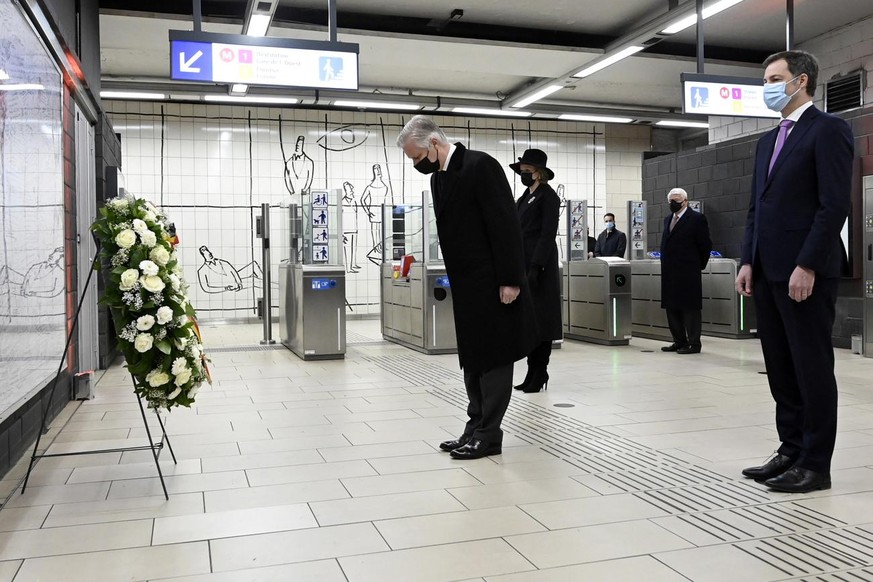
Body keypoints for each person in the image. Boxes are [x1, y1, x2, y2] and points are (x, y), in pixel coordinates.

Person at [736, 50, 852, 494]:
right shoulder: (767, 141)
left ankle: (816, 463)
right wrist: (748, 260)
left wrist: (807, 264)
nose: (766, 86)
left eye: (773, 78)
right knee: (780, 366)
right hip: (767, 271)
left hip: (806, 272)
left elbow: (833, 205)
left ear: (800, 81)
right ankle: (790, 448)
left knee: (811, 367)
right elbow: (755, 210)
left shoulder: (829, 131)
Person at [397, 115, 536, 460]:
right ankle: (474, 428)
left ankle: (489, 434)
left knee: (495, 358)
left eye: (416, 157)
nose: (416, 164)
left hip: (493, 282)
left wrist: (510, 279)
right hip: (467, 285)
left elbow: (505, 226)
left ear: (432, 143)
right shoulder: (440, 179)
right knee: (473, 359)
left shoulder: (480, 166)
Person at [509, 149, 561, 394]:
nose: (524, 175)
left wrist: (537, 266)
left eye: (527, 171)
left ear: (539, 173)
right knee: (530, 321)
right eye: (522, 171)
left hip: (540, 265)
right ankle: (532, 371)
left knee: (543, 320)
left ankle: (540, 371)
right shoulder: (524, 197)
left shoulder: (548, 197)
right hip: (523, 261)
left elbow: (547, 234)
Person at [659, 188, 712, 355]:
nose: (674, 204)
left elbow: (705, 245)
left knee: (690, 308)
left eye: (677, 200)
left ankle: (694, 343)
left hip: (688, 271)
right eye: (671, 201)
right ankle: (679, 340)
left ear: (685, 201)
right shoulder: (668, 219)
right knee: (672, 307)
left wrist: (697, 265)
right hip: (670, 271)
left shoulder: (697, 219)